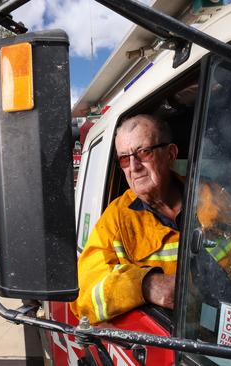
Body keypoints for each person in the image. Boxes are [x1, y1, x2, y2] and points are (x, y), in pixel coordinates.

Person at [70, 114, 182, 324]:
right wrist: (147, 285)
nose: (134, 166)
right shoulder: (116, 219)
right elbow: (83, 296)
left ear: (170, 154)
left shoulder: (211, 199)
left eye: (143, 152)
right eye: (124, 158)